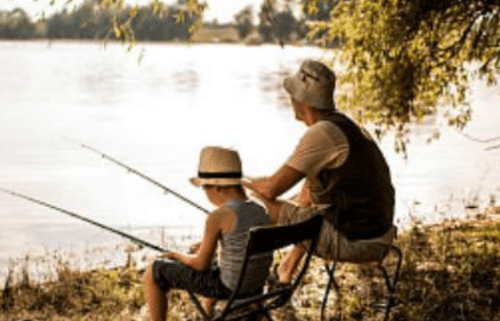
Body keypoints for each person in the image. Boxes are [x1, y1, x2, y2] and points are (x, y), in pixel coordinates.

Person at [243, 59, 396, 284]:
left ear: (302, 100)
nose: (290, 100)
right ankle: (285, 271)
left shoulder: (323, 134)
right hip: (378, 233)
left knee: (251, 206)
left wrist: (235, 180)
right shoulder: (345, 126)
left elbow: (271, 188)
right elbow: (307, 198)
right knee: (309, 192)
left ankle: (244, 287)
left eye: (292, 94)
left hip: (358, 240)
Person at [142, 146, 273, 321]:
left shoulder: (217, 216)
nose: (205, 193)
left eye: (205, 188)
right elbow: (240, 243)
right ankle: (209, 310)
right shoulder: (261, 209)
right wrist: (208, 245)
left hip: (227, 288)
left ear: (218, 187)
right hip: (255, 286)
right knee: (209, 258)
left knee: (155, 270)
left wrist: (176, 255)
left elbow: (201, 265)